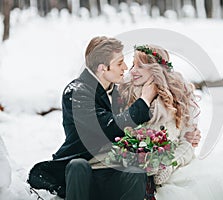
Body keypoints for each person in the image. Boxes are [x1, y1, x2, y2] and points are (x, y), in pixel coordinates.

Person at [28, 37, 200, 200]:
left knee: (136, 173)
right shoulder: (77, 92)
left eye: (134, 65)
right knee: (77, 166)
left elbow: (178, 136)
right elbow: (111, 127)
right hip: (88, 168)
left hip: (118, 172)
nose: (126, 68)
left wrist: (183, 143)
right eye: (121, 63)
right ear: (103, 68)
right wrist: (145, 100)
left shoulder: (120, 91)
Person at [118, 44, 203, 200]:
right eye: (132, 65)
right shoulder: (125, 93)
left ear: (155, 69)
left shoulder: (180, 95)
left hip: (174, 172)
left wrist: (168, 164)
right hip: (135, 174)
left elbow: (188, 142)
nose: (132, 71)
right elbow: (118, 134)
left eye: (140, 66)